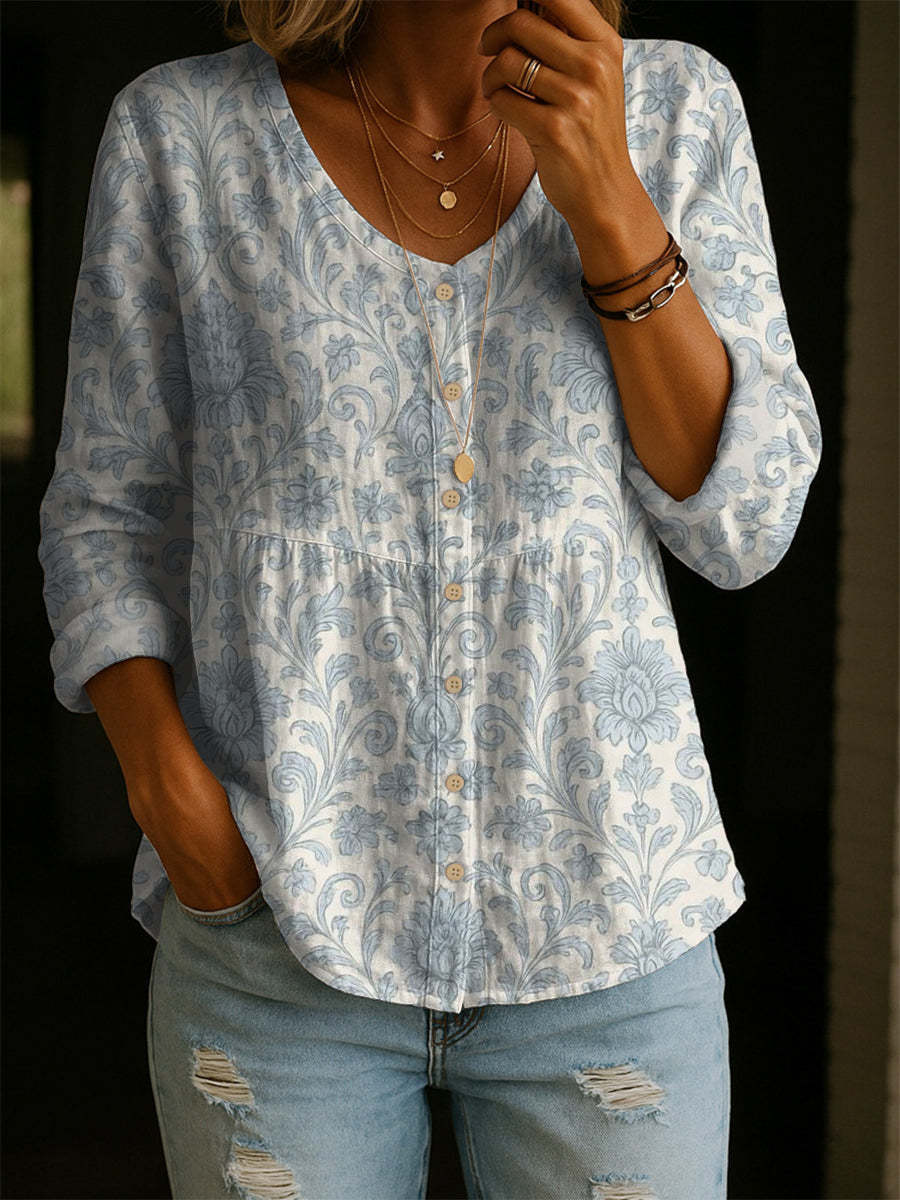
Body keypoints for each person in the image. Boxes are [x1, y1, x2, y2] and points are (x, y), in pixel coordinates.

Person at [37, 0, 821, 1195]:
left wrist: (607, 194)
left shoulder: (677, 110)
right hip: (280, 927)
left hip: (612, 925)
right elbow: (109, 506)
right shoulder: (181, 134)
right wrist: (170, 795)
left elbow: (744, 526)